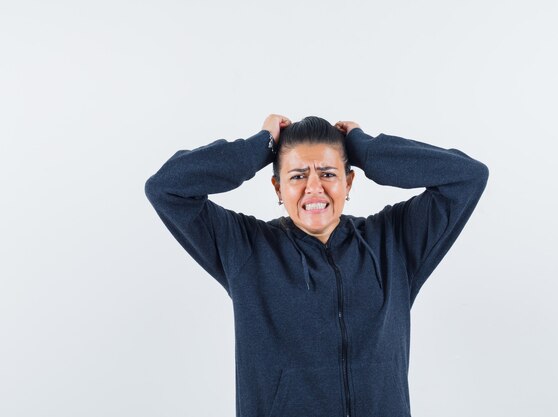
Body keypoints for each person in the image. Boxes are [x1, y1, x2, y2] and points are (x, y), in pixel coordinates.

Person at [144, 114, 489, 417]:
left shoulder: (395, 242)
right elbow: (167, 188)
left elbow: (467, 177)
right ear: (278, 187)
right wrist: (259, 146)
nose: (314, 188)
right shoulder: (246, 248)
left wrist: (367, 150)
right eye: (296, 176)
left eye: (327, 173)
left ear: (349, 182)